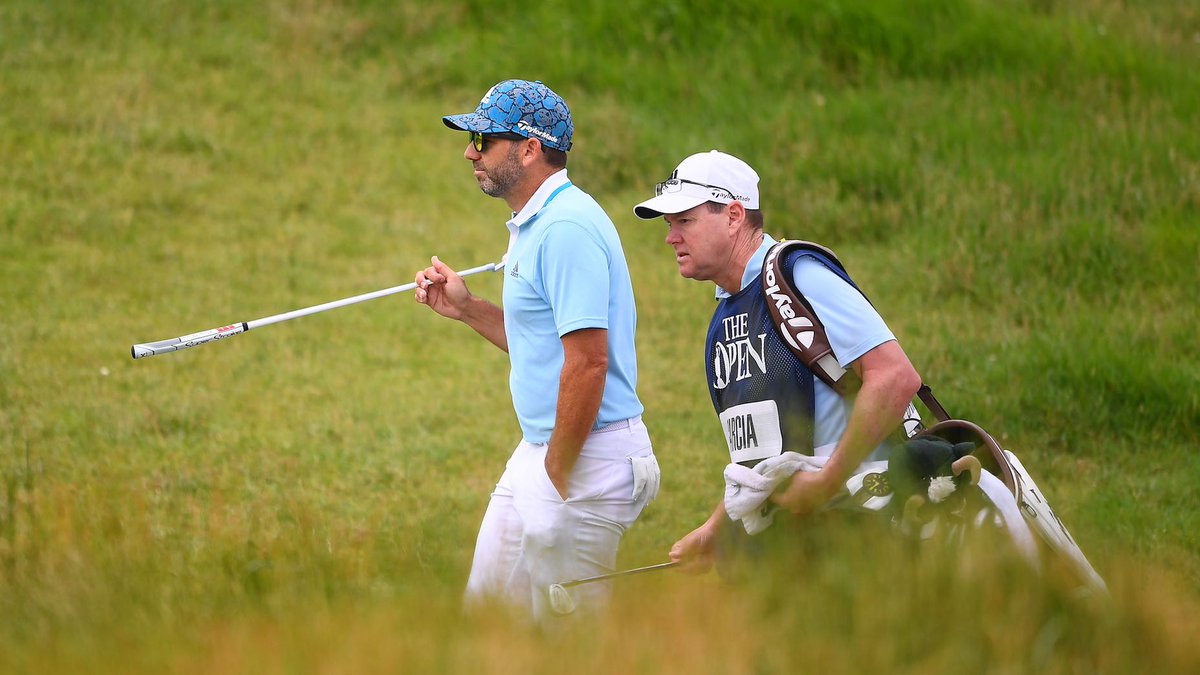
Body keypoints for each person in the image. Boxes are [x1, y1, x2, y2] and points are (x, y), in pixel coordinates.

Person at [414, 79, 659, 621]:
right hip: (547, 448)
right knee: (487, 616)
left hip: (584, 456)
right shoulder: (535, 223)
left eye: (484, 140)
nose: (469, 152)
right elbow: (540, 343)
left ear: (530, 149)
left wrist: (556, 470)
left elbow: (590, 362)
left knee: (567, 644)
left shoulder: (566, 227)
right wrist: (467, 307)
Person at [631, 150, 922, 575]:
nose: (670, 237)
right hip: (797, 542)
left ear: (733, 216)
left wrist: (826, 482)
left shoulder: (797, 274)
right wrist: (718, 525)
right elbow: (763, 452)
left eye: (684, 221)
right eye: (669, 224)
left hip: (861, 525)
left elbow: (895, 377)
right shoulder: (728, 311)